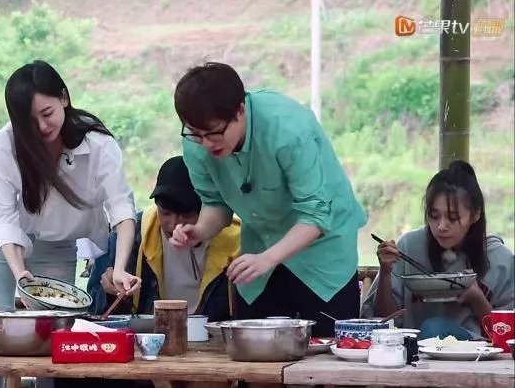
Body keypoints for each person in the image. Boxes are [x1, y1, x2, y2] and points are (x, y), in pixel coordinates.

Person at [169, 62, 367, 337]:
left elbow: (316, 215)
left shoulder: (289, 130)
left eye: (214, 133)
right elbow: (215, 203)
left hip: (322, 254)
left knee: (328, 347)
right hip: (260, 251)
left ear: (240, 111)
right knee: (255, 346)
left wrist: (268, 259)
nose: (206, 143)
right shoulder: (196, 143)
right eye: (195, 133)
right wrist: (199, 231)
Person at [0, 59, 140, 309]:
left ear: (63, 97)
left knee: (54, 322)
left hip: (56, 242)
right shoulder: (7, 141)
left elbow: (121, 208)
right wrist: (19, 274)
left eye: (47, 113)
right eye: (30, 121)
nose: (41, 127)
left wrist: (120, 268)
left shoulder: (98, 144)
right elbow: (4, 216)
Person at [361, 160, 514, 340]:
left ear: (476, 214)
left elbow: (507, 335)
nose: (441, 226)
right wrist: (386, 273)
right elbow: (384, 321)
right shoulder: (409, 246)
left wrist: (477, 298)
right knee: (432, 329)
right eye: (433, 216)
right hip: (412, 351)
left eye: (453, 217)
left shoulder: (500, 260)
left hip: (477, 353)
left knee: (433, 329)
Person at [88, 156, 241, 321]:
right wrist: (109, 292)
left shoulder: (237, 241)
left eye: (186, 215)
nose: (174, 224)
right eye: (165, 213)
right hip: (150, 333)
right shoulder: (132, 235)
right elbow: (92, 308)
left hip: (211, 332)